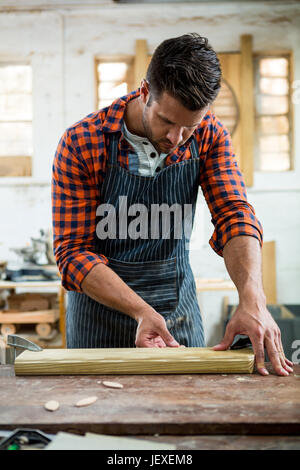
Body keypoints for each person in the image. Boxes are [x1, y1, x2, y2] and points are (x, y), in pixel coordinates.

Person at [52, 33, 293, 376]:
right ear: (145, 92)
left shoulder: (210, 134)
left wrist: (252, 298)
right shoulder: (82, 142)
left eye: (188, 127)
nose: (176, 139)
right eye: (167, 121)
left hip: (177, 320)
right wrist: (140, 311)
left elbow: (234, 215)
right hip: (99, 328)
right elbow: (72, 253)